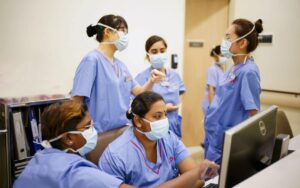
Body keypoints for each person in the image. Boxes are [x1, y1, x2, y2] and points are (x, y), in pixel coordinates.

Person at [99, 91, 219, 187]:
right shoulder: (116, 156)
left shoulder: (169, 138)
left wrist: (196, 175)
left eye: (165, 114)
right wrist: (190, 178)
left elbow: (198, 180)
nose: (164, 121)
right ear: (138, 121)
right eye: (157, 116)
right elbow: (194, 175)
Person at [71, 15, 164, 133]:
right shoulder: (92, 60)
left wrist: (152, 80)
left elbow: (139, 93)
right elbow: (76, 101)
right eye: (122, 31)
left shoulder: (121, 66)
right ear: (107, 32)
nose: (125, 36)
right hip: (98, 132)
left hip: (123, 129)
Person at [13, 101, 130, 188]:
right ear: (68, 138)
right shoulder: (76, 173)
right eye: (88, 126)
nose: (93, 131)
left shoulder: (37, 161)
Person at [204, 19, 263, 164]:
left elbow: (253, 113)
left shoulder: (248, 72)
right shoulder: (232, 68)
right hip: (215, 136)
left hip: (227, 141)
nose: (224, 42)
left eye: (228, 38)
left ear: (242, 43)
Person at [135, 35, 185, 138]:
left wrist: (177, 105)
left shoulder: (174, 75)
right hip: (155, 127)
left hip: (173, 123)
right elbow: (139, 104)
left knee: (173, 152)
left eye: (162, 51)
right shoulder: (142, 77)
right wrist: (164, 108)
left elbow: (181, 90)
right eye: (154, 52)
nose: (159, 54)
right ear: (148, 55)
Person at [201, 45, 226, 151]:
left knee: (213, 132)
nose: (224, 57)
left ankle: (207, 147)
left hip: (217, 104)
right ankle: (209, 157)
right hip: (211, 104)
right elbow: (211, 89)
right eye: (222, 55)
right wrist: (213, 108)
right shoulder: (212, 69)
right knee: (212, 132)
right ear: (216, 56)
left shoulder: (221, 69)